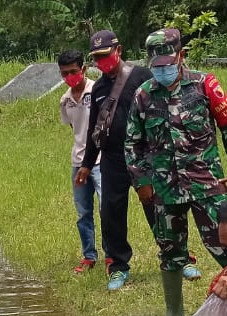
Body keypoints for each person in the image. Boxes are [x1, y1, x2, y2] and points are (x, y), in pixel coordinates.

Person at [126, 28, 227, 316]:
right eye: (157, 65)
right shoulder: (143, 95)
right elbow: (132, 143)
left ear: (180, 56)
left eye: (168, 62)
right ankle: (173, 313)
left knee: (225, 245)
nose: (163, 70)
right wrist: (141, 181)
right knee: (169, 250)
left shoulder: (205, 85)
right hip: (165, 188)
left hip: (207, 183)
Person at [75, 30, 153, 291]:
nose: (101, 61)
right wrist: (87, 164)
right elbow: (94, 130)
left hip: (143, 155)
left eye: (105, 55)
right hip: (112, 158)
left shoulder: (142, 76)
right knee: (111, 212)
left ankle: (176, 256)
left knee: (155, 205)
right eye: (96, 57)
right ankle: (119, 266)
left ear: (118, 51)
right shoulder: (98, 88)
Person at [58, 49, 103, 274]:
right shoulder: (65, 100)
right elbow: (74, 129)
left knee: (107, 209)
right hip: (77, 162)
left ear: (83, 69)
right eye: (65, 73)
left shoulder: (97, 90)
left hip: (100, 160)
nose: (70, 77)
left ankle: (113, 257)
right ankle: (89, 256)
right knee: (83, 212)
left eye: (73, 71)